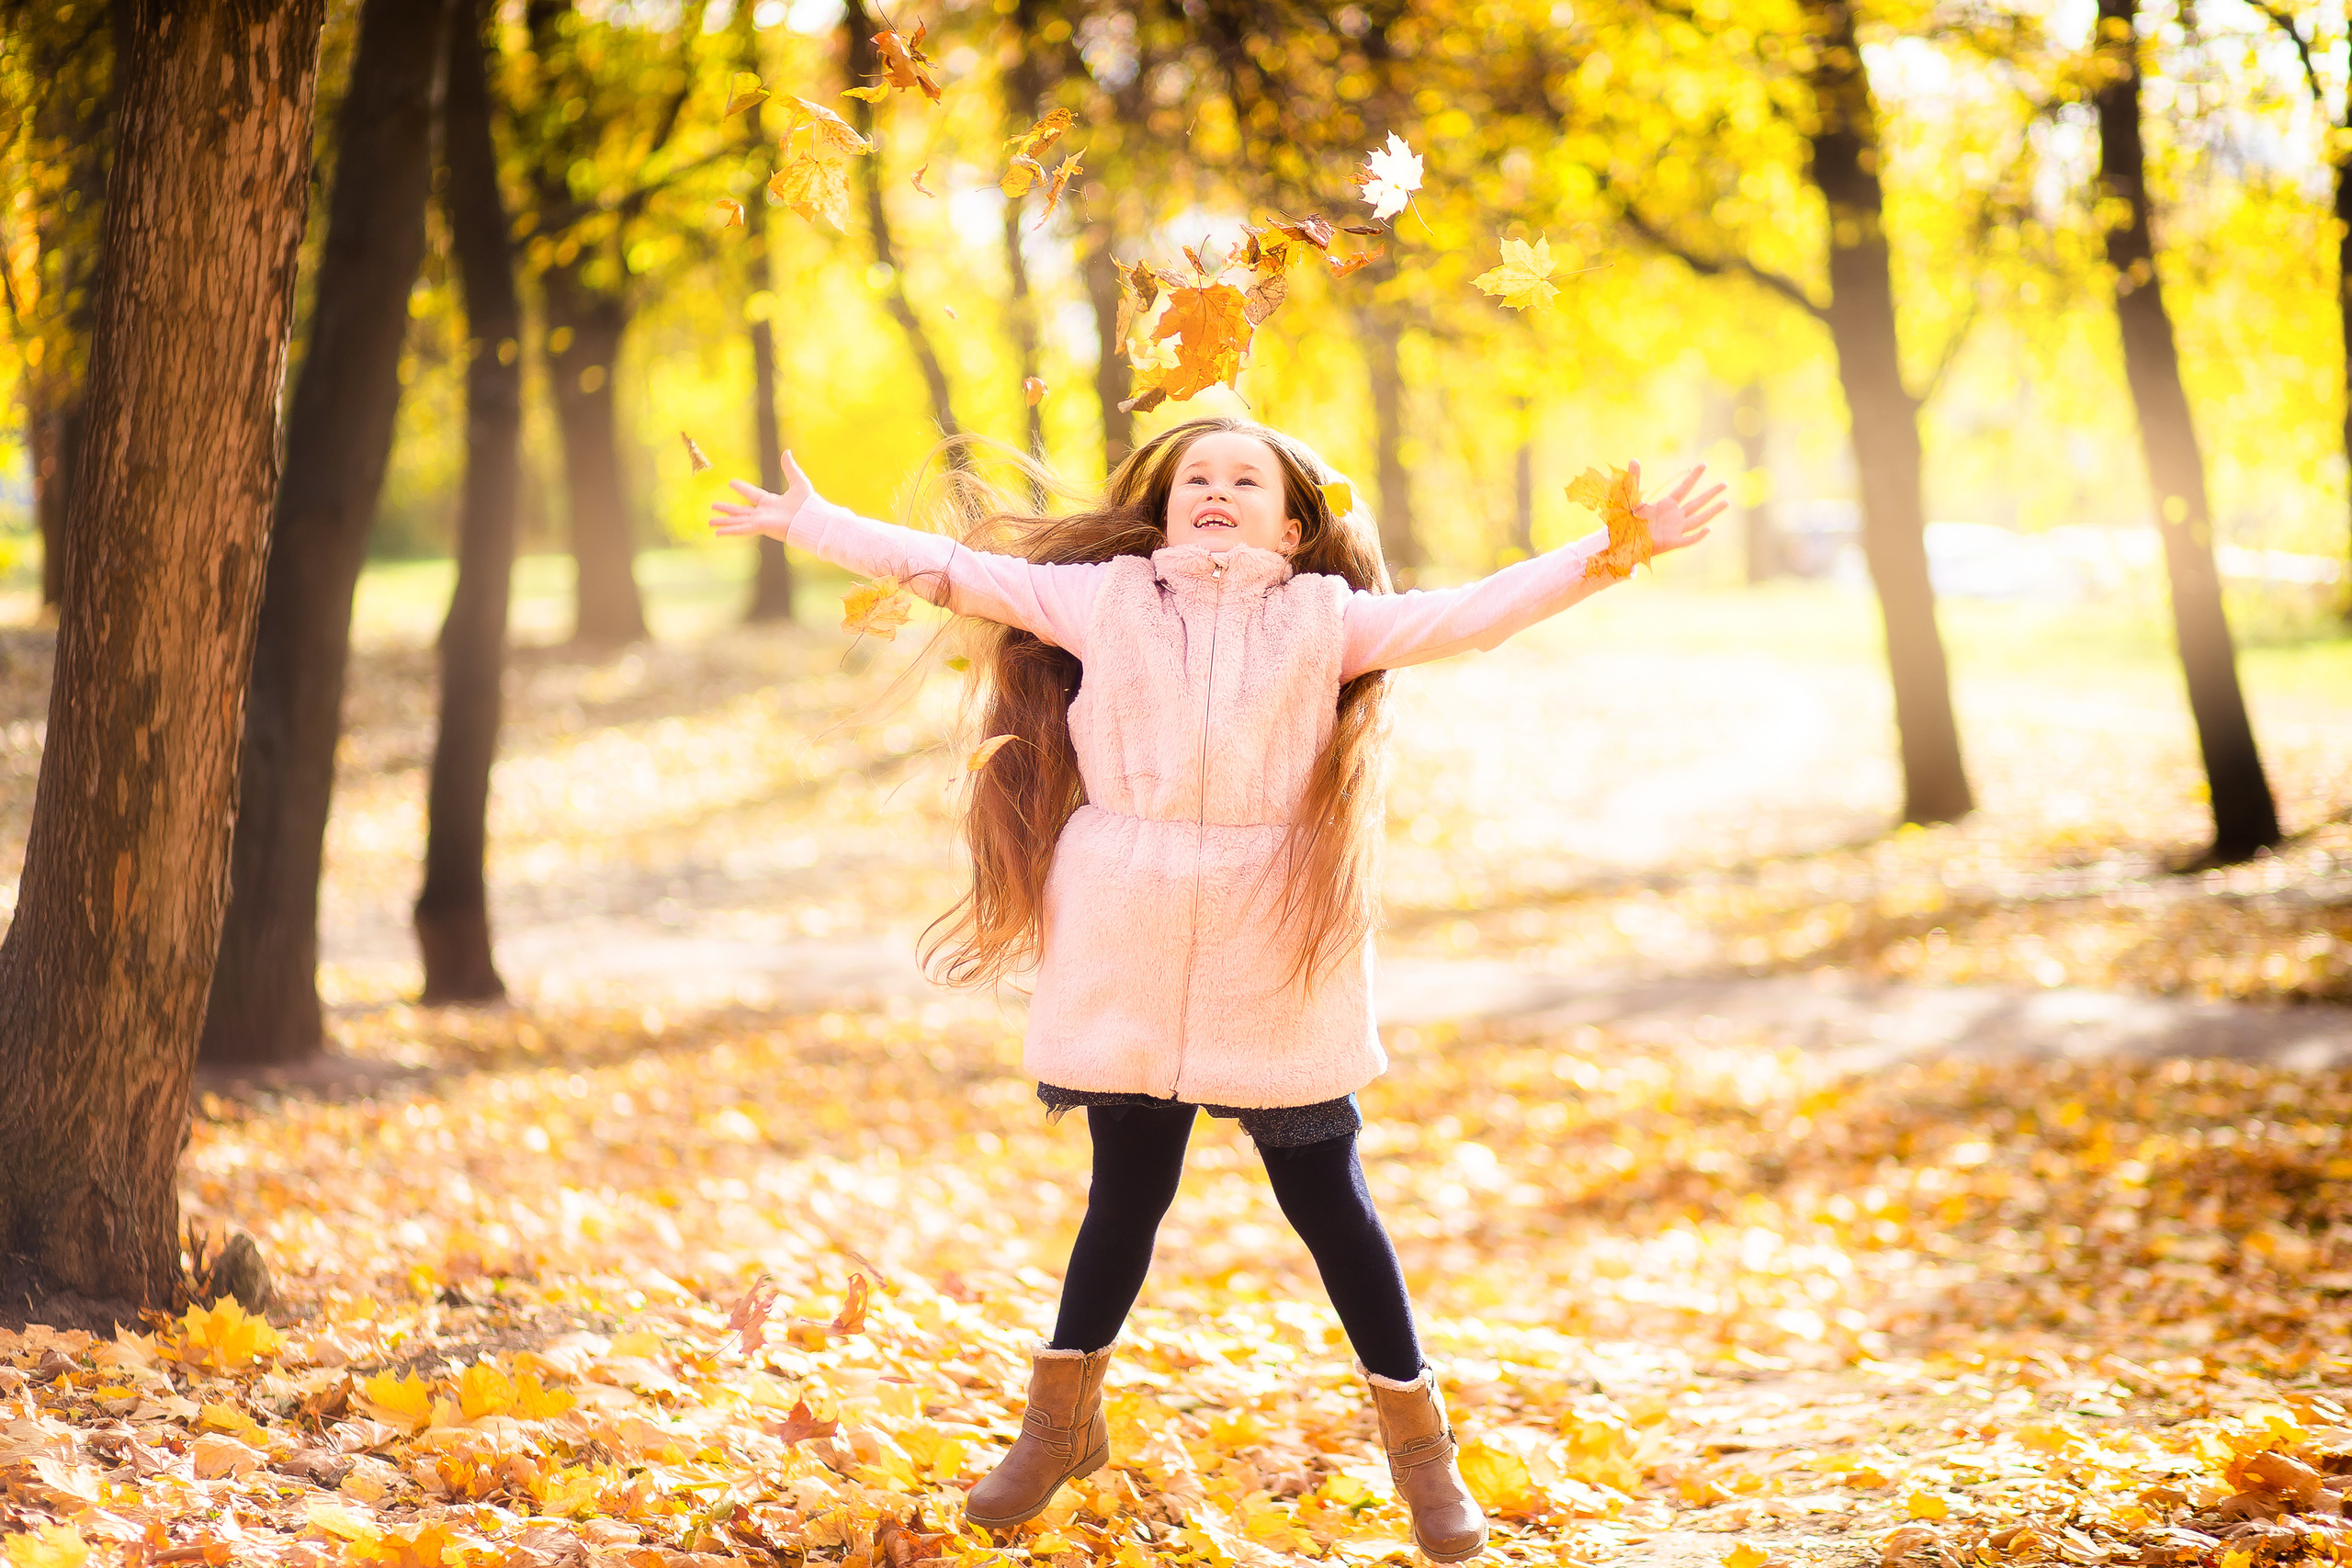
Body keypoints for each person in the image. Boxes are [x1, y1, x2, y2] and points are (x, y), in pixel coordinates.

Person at [710, 416, 1721, 1562]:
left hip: (1267, 935)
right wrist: (814, 523)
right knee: (1125, 1196)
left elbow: (1477, 611)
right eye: (1198, 476)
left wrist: (1616, 549)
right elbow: (954, 572)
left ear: (1292, 528)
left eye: (1247, 480)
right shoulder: (1105, 599)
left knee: (1328, 1197)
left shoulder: (1324, 623)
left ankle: (1420, 1449)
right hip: (1127, 927)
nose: (1218, 490)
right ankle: (1057, 1425)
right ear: (1164, 506)